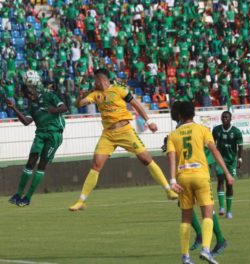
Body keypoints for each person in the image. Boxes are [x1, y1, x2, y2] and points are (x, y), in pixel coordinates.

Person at [68, 68, 178, 211]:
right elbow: (79, 104)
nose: (93, 83)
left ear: (101, 79)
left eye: (94, 80)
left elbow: (136, 105)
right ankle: (81, 201)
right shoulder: (95, 95)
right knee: (96, 165)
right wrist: (79, 96)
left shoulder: (119, 90)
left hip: (126, 131)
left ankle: (168, 190)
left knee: (146, 159)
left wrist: (148, 121)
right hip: (108, 135)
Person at [166, 101, 234, 264]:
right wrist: (226, 173)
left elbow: (171, 157)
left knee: (186, 218)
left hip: (183, 178)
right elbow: (214, 151)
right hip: (201, 176)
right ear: (194, 114)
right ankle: (205, 249)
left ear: (179, 115)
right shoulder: (203, 129)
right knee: (208, 214)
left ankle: (185, 257)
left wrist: (172, 180)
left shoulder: (173, 135)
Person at [8, 75, 68, 207]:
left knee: (42, 165)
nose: (29, 96)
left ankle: (27, 197)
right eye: (26, 96)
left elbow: (64, 108)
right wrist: (13, 108)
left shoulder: (49, 96)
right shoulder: (32, 106)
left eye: (29, 93)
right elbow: (26, 121)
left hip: (54, 135)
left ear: (34, 88)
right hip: (40, 134)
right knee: (31, 161)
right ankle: (18, 194)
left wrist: (53, 110)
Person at [212, 111, 243, 219]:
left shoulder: (236, 132)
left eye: (226, 117)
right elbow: (212, 144)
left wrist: (239, 158)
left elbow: (240, 146)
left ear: (230, 119)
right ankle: (221, 207)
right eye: (223, 117)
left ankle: (229, 211)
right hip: (220, 160)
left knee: (229, 184)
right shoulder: (216, 130)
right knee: (220, 179)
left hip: (231, 162)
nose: (224, 119)